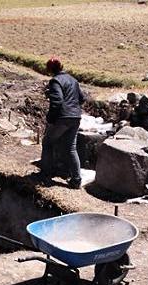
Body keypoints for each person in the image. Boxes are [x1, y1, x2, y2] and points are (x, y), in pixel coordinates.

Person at [39, 57, 85, 189]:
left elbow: (57, 101)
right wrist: (72, 105)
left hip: (62, 117)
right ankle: (76, 180)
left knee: (47, 143)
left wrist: (51, 119)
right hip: (76, 117)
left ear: (50, 70)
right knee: (71, 148)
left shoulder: (55, 81)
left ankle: (46, 174)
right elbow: (82, 98)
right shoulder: (73, 80)